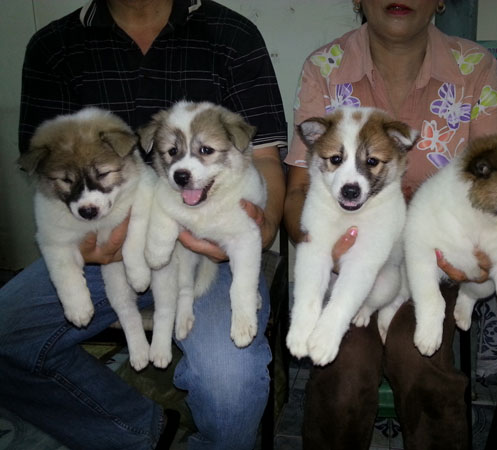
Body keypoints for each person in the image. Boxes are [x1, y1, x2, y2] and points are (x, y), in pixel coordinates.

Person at [0, 0, 287, 449]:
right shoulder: (54, 47)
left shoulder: (232, 34)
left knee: (230, 382)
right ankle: (139, 432)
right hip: (105, 239)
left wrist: (263, 226)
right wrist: (80, 246)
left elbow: (266, 156)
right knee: (6, 334)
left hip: (210, 243)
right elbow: (46, 170)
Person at [283, 1, 497, 449]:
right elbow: (298, 192)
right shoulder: (324, 67)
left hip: (440, 256)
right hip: (347, 254)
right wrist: (322, 249)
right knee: (344, 360)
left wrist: (484, 252)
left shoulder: (475, 67)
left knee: (417, 352)